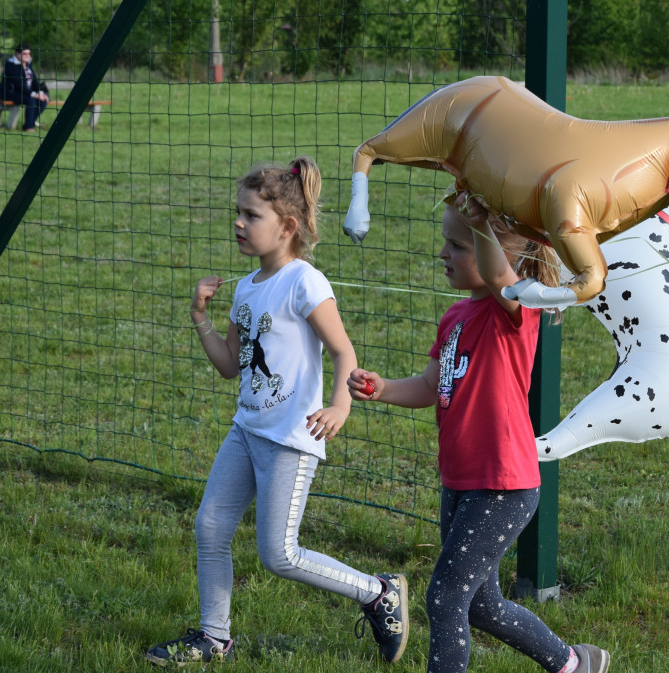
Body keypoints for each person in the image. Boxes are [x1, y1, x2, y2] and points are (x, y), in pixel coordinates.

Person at [146, 156, 409, 667]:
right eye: (237, 213)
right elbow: (230, 366)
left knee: (279, 555)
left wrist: (339, 404)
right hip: (246, 431)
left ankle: (378, 593)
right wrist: (199, 317)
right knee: (210, 528)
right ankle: (213, 636)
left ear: (287, 226)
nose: (239, 224)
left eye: (250, 215)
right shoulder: (245, 289)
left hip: (291, 438)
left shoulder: (304, 282)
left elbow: (342, 351)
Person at [347, 191, 611, 673]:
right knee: (481, 605)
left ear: (502, 257)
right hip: (461, 482)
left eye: (458, 245)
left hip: (503, 485)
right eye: (445, 242)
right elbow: (431, 385)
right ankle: (575, 663)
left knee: (445, 597)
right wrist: (382, 388)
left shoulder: (515, 311)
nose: (443, 253)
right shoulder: (455, 317)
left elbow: (497, 278)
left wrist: (483, 225)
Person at [1, 43, 49, 132]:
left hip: (25, 93)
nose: (27, 56)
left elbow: (34, 81)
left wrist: (40, 93)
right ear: (17, 54)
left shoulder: (27, 65)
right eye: (25, 54)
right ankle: (28, 127)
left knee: (43, 100)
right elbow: (18, 84)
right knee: (31, 100)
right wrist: (34, 94)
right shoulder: (10, 65)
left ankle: (30, 123)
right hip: (12, 93)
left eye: (29, 54)